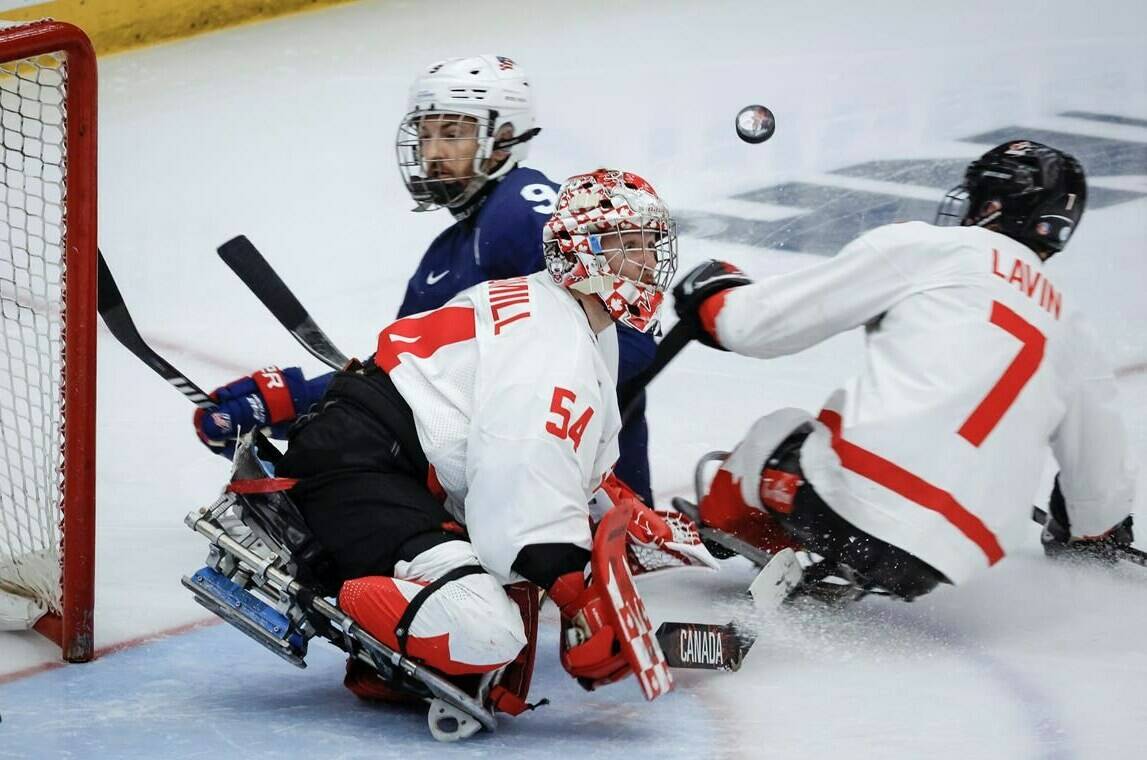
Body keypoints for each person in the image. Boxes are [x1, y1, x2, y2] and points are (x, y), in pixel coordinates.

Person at [253, 169, 707, 712]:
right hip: (359, 470)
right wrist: (580, 598)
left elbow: (557, 457)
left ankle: (408, 611)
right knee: (489, 630)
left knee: (509, 593)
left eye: (649, 246)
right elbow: (519, 488)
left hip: (380, 455)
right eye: (627, 246)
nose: (648, 262)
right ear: (581, 254)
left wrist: (630, 511)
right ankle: (366, 635)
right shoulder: (556, 345)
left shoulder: (570, 316)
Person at [671, 140, 1136, 600]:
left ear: (994, 202)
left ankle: (742, 543)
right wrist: (1089, 530)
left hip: (838, 508)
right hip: (948, 558)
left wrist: (715, 298)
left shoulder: (928, 247)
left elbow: (758, 327)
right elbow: (1101, 479)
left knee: (775, 433)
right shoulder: (1074, 327)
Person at [194, 55, 658, 505]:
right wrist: (294, 400)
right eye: (426, 133)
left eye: (453, 134)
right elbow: (398, 380)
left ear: (505, 138)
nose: (433, 152)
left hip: (574, 505)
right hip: (513, 490)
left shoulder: (520, 208)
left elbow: (630, 339)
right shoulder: (447, 254)